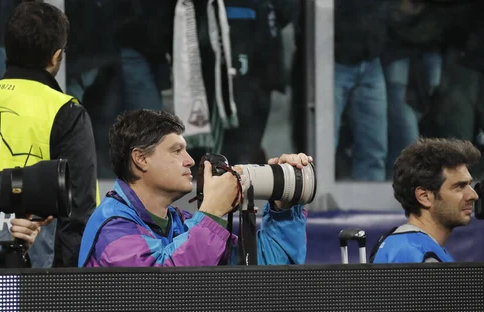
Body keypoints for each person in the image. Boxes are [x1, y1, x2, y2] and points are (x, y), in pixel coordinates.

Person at [0, 1, 98, 269]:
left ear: (7, 50)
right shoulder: (65, 111)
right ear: (55, 56)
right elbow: (78, 212)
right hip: (33, 276)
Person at [78, 109, 310, 267]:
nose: (190, 160)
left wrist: (284, 207)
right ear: (141, 159)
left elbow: (268, 267)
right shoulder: (112, 228)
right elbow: (160, 288)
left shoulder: (180, 225)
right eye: (176, 151)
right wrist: (210, 214)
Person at [372, 137, 481, 263]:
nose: (473, 195)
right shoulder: (412, 253)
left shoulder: (410, 247)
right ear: (424, 197)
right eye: (459, 186)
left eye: (469, 185)